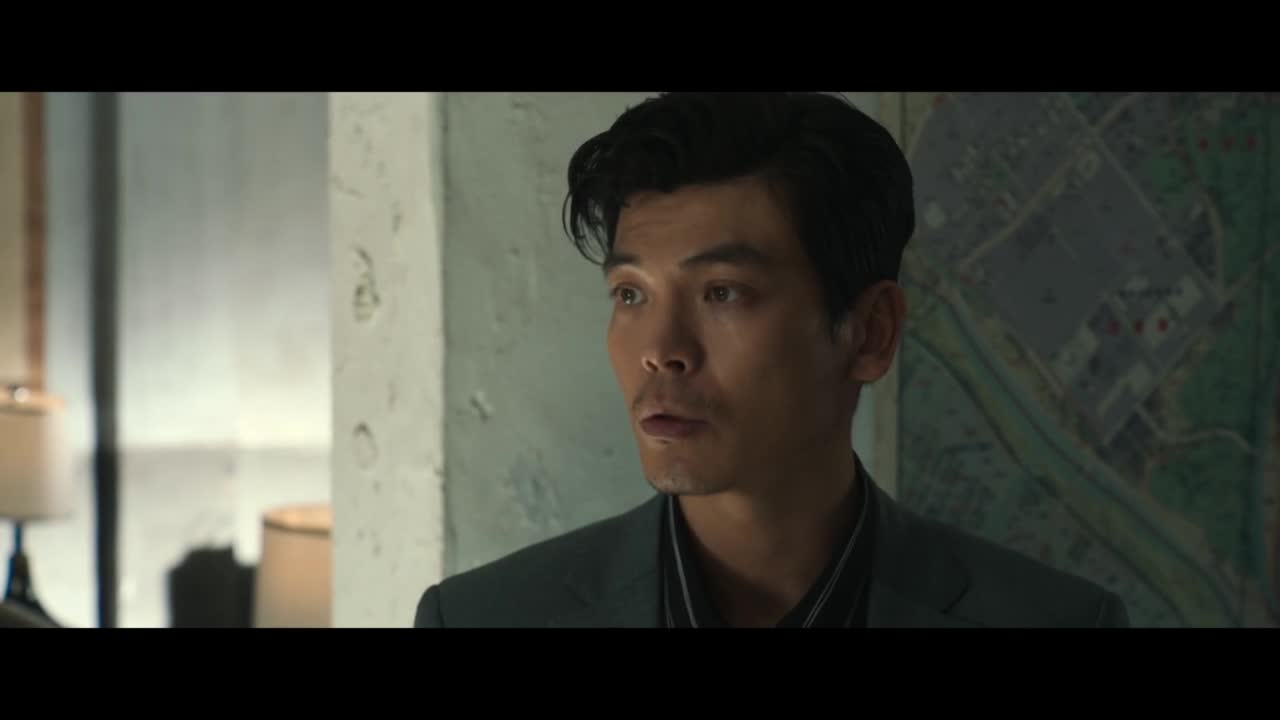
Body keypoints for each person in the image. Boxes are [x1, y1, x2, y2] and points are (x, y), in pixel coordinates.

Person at [414, 92, 1130, 628]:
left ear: (870, 333)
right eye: (631, 295)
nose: (661, 351)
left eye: (722, 292)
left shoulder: (1057, 621)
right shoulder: (482, 619)